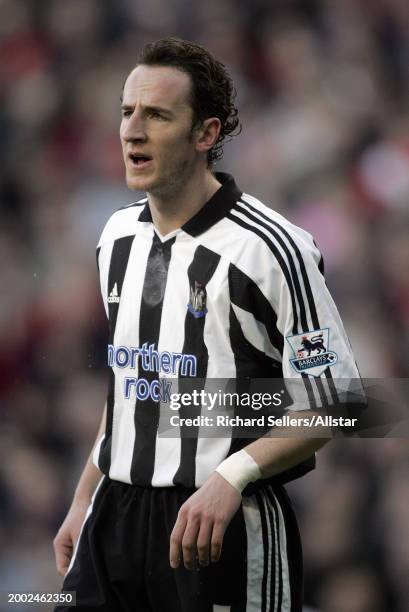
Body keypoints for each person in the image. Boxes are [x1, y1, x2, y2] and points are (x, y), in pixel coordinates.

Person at [53, 37, 362, 612]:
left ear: (206, 134)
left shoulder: (271, 250)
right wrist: (84, 498)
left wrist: (231, 476)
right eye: (127, 112)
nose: (132, 130)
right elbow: (132, 383)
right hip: (114, 518)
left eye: (157, 115)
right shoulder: (116, 237)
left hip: (221, 527)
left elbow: (337, 402)